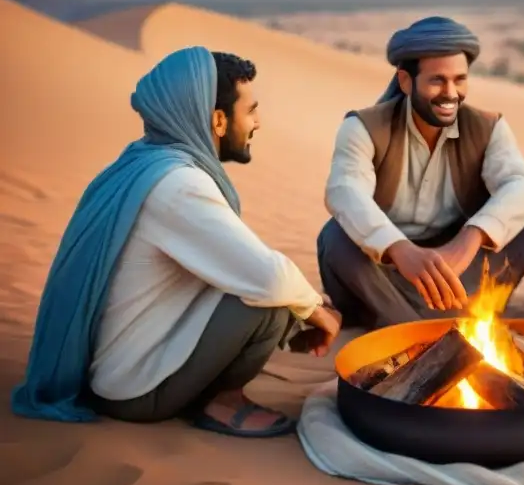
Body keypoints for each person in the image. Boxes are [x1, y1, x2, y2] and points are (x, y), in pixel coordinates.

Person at [11, 46, 340, 438]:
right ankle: (223, 402)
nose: (258, 122)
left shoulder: (144, 163)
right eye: (250, 110)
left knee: (265, 284)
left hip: (119, 368)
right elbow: (269, 278)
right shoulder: (179, 184)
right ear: (218, 121)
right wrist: (318, 310)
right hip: (135, 391)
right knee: (271, 301)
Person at [317, 15, 524, 327]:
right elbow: (344, 192)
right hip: (384, 271)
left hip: (451, 267)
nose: (451, 93)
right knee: (335, 238)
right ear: (405, 81)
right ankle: (427, 325)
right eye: (437, 80)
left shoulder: (487, 127)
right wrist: (399, 250)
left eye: (460, 79)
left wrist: (471, 236)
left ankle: (426, 318)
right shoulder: (363, 128)